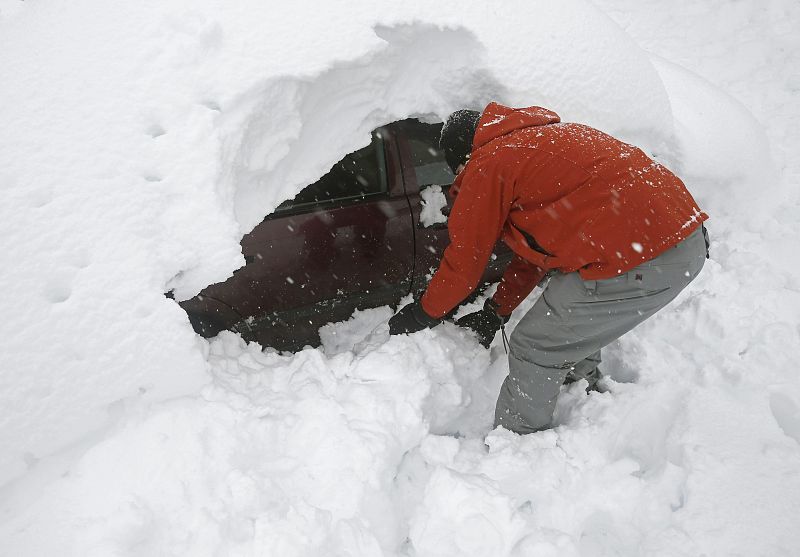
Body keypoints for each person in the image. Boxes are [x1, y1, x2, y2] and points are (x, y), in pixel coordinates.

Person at [388, 102, 709, 434]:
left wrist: (424, 313)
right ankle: (581, 391)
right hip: (679, 239)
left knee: (535, 344)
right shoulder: (538, 141)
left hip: (646, 255)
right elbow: (536, 251)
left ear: (463, 155)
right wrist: (496, 310)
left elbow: (465, 263)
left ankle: (517, 443)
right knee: (570, 316)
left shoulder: (490, 164)